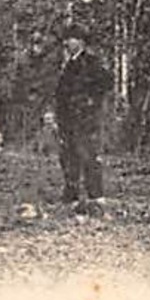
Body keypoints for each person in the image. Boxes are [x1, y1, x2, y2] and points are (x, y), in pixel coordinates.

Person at [51, 23, 113, 213]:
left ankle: (96, 196)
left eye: (72, 39)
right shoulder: (70, 64)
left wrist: (90, 101)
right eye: (67, 39)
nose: (67, 43)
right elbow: (61, 93)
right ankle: (72, 194)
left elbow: (106, 82)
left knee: (89, 155)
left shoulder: (91, 62)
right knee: (68, 155)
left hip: (86, 118)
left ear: (81, 41)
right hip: (69, 118)